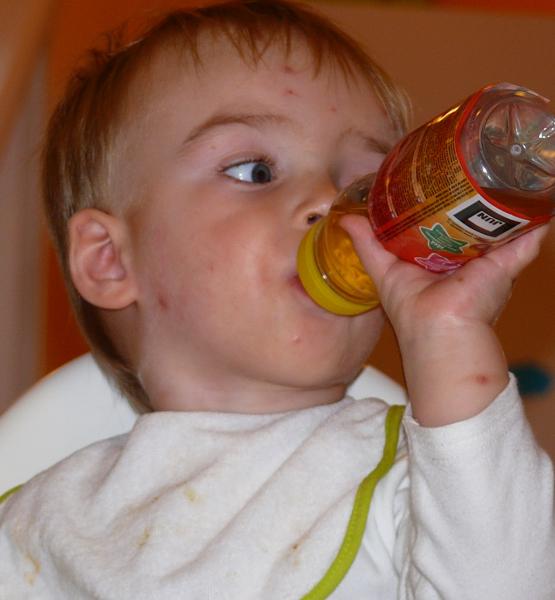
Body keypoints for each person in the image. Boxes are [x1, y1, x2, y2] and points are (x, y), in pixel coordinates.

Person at [1, 1, 554, 598]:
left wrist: (449, 336)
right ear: (110, 259)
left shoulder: (423, 488)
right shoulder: (38, 532)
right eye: (255, 171)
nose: (328, 204)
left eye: (364, 188)